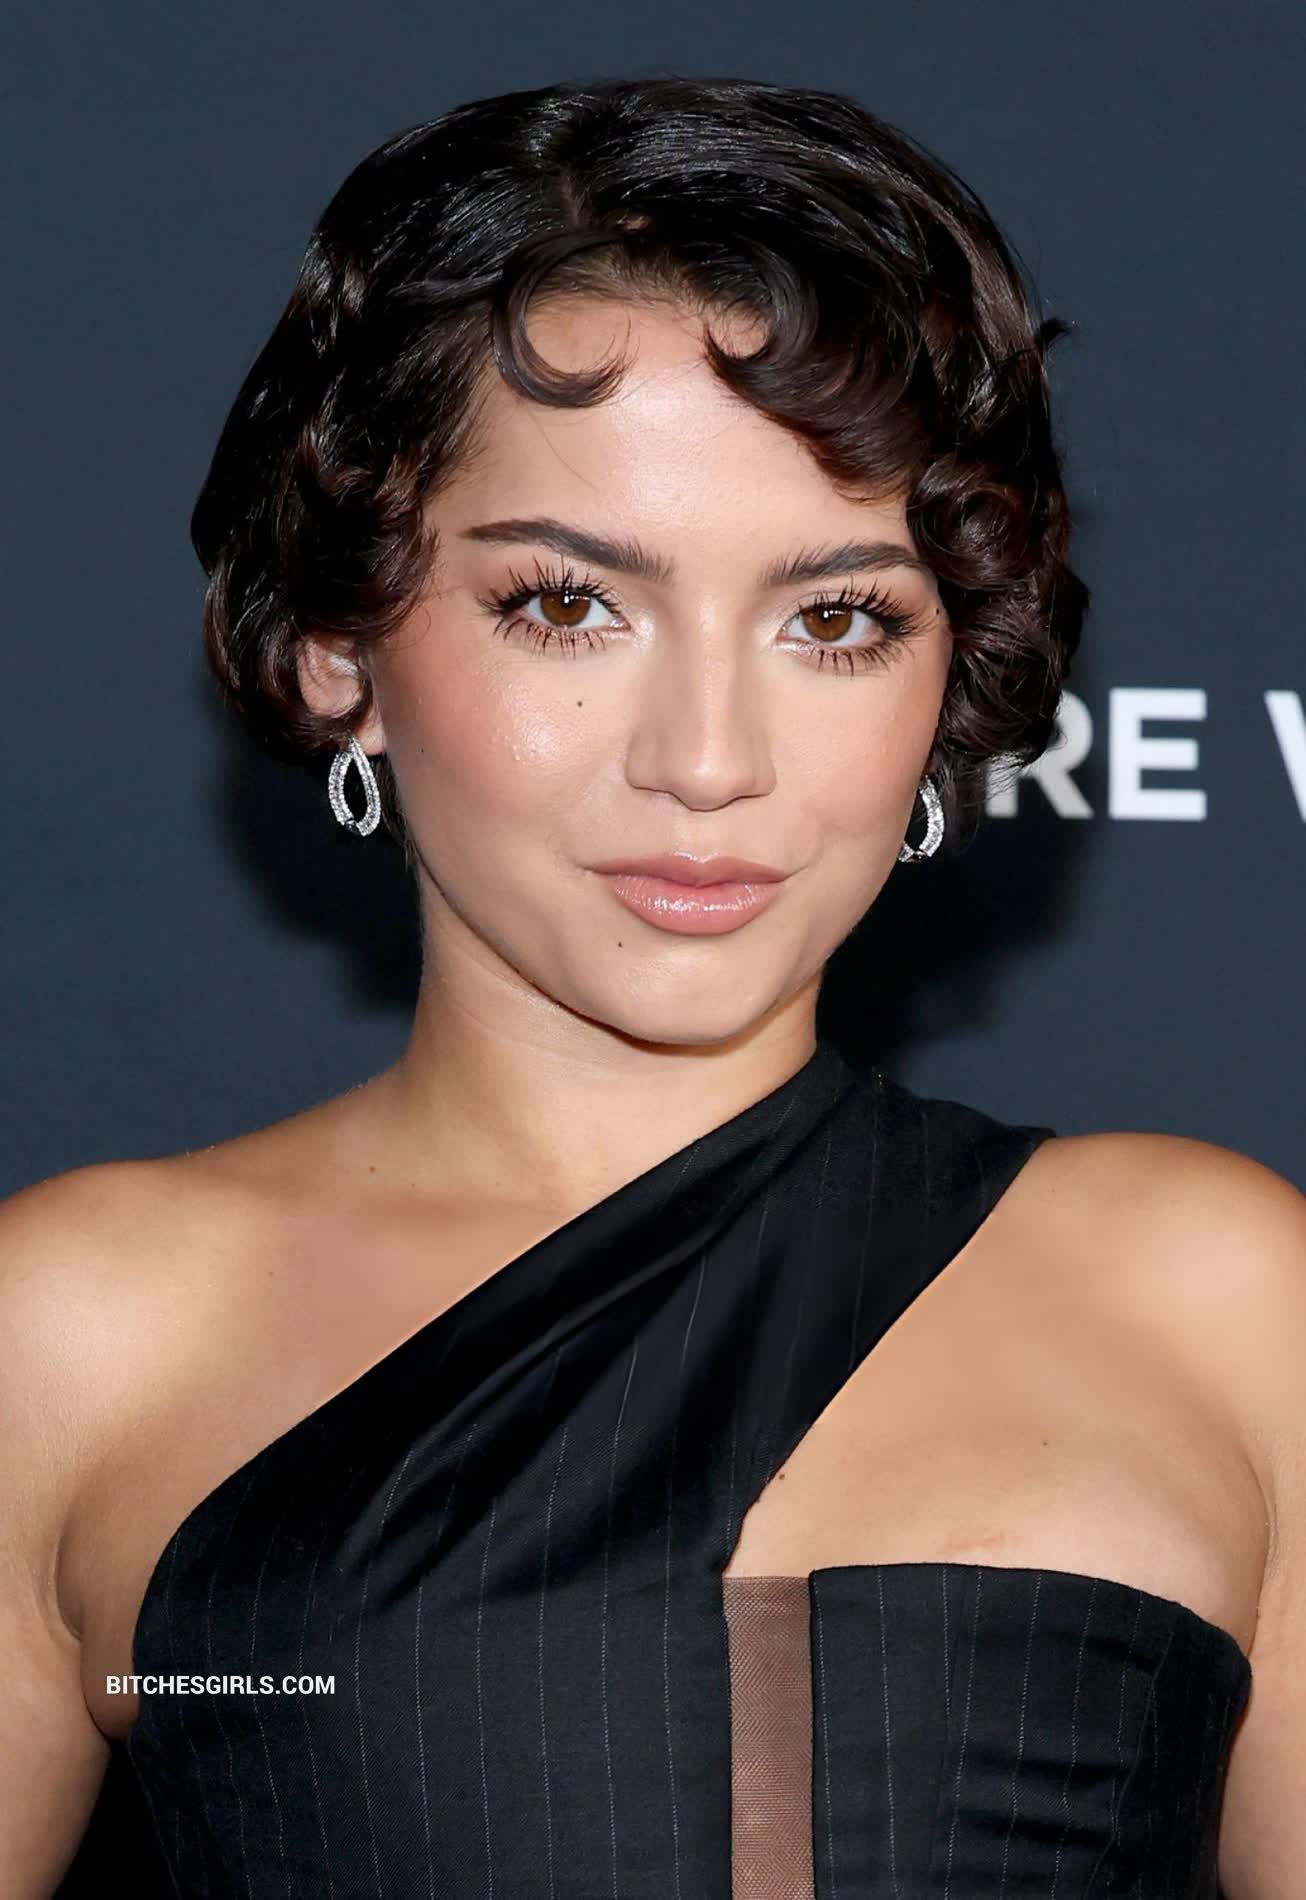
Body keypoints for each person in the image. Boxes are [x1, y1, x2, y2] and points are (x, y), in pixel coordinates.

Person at [4, 72, 1303, 1900]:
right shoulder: (78, 1334)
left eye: (834, 619)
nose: (708, 758)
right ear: (335, 648)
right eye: (568, 604)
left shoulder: (1220, 1297)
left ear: (952, 672)